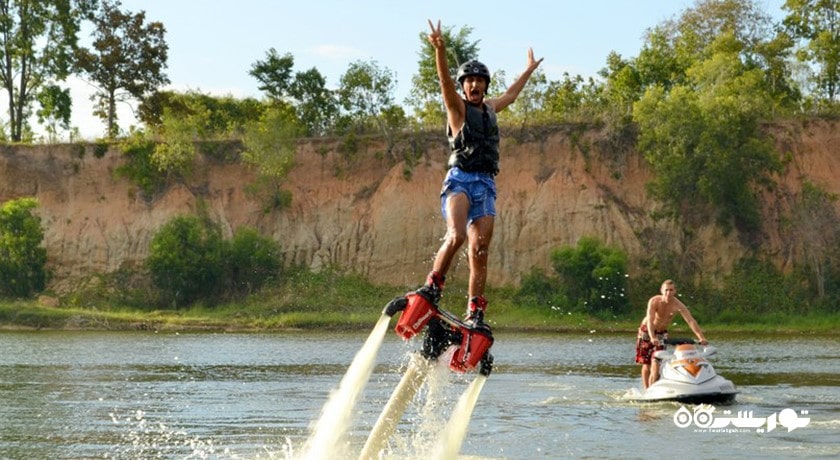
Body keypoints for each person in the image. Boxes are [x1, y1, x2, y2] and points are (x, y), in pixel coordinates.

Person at [416, 19, 543, 327]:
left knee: (480, 249)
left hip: (485, 184)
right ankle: (433, 287)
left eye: (479, 81)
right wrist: (440, 50)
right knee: (457, 235)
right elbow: (444, 81)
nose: (474, 85)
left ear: (485, 85)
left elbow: (511, 95)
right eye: (468, 81)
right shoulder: (456, 109)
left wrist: (528, 70)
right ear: (463, 87)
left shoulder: (490, 109)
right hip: (460, 180)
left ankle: (475, 312)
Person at [635, 279, 708, 389]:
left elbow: (691, 321)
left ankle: (654, 388)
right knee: (647, 364)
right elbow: (650, 320)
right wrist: (652, 337)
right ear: (661, 290)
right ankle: (647, 390)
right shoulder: (654, 301)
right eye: (666, 290)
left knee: (656, 362)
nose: (668, 293)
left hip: (661, 333)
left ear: (675, 291)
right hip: (647, 331)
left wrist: (701, 338)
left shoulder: (678, 305)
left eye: (671, 290)